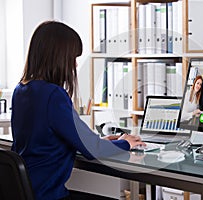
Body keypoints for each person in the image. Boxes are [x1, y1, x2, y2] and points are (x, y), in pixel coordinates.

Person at [11, 21, 145, 200]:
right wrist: (126, 143)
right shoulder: (53, 95)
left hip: (26, 191)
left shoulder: (20, 90)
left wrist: (101, 141)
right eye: (72, 58)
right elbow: (92, 150)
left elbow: (50, 140)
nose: (74, 65)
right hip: (48, 195)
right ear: (58, 57)